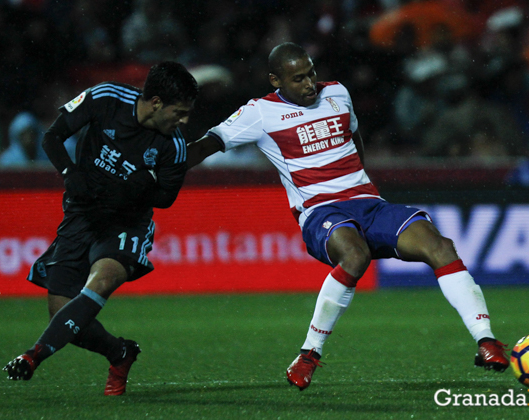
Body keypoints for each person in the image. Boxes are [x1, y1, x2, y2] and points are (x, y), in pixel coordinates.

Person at [186, 42, 509, 391]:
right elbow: (209, 143)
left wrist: (362, 182)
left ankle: (486, 341)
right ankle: (309, 354)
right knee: (356, 255)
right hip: (319, 211)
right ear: (275, 80)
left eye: (311, 73)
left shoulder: (338, 92)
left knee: (441, 246)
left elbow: (354, 135)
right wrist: (161, 167)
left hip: (368, 203)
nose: (309, 83)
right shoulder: (260, 113)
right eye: (298, 79)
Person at [3, 62, 198, 396]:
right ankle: (119, 353)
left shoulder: (173, 145)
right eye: (179, 112)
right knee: (64, 315)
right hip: (81, 216)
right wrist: (70, 172)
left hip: (127, 224)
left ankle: (33, 355)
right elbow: (52, 137)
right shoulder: (106, 97)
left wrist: (139, 187)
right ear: (154, 103)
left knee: (103, 280)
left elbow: (166, 197)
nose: (184, 121)